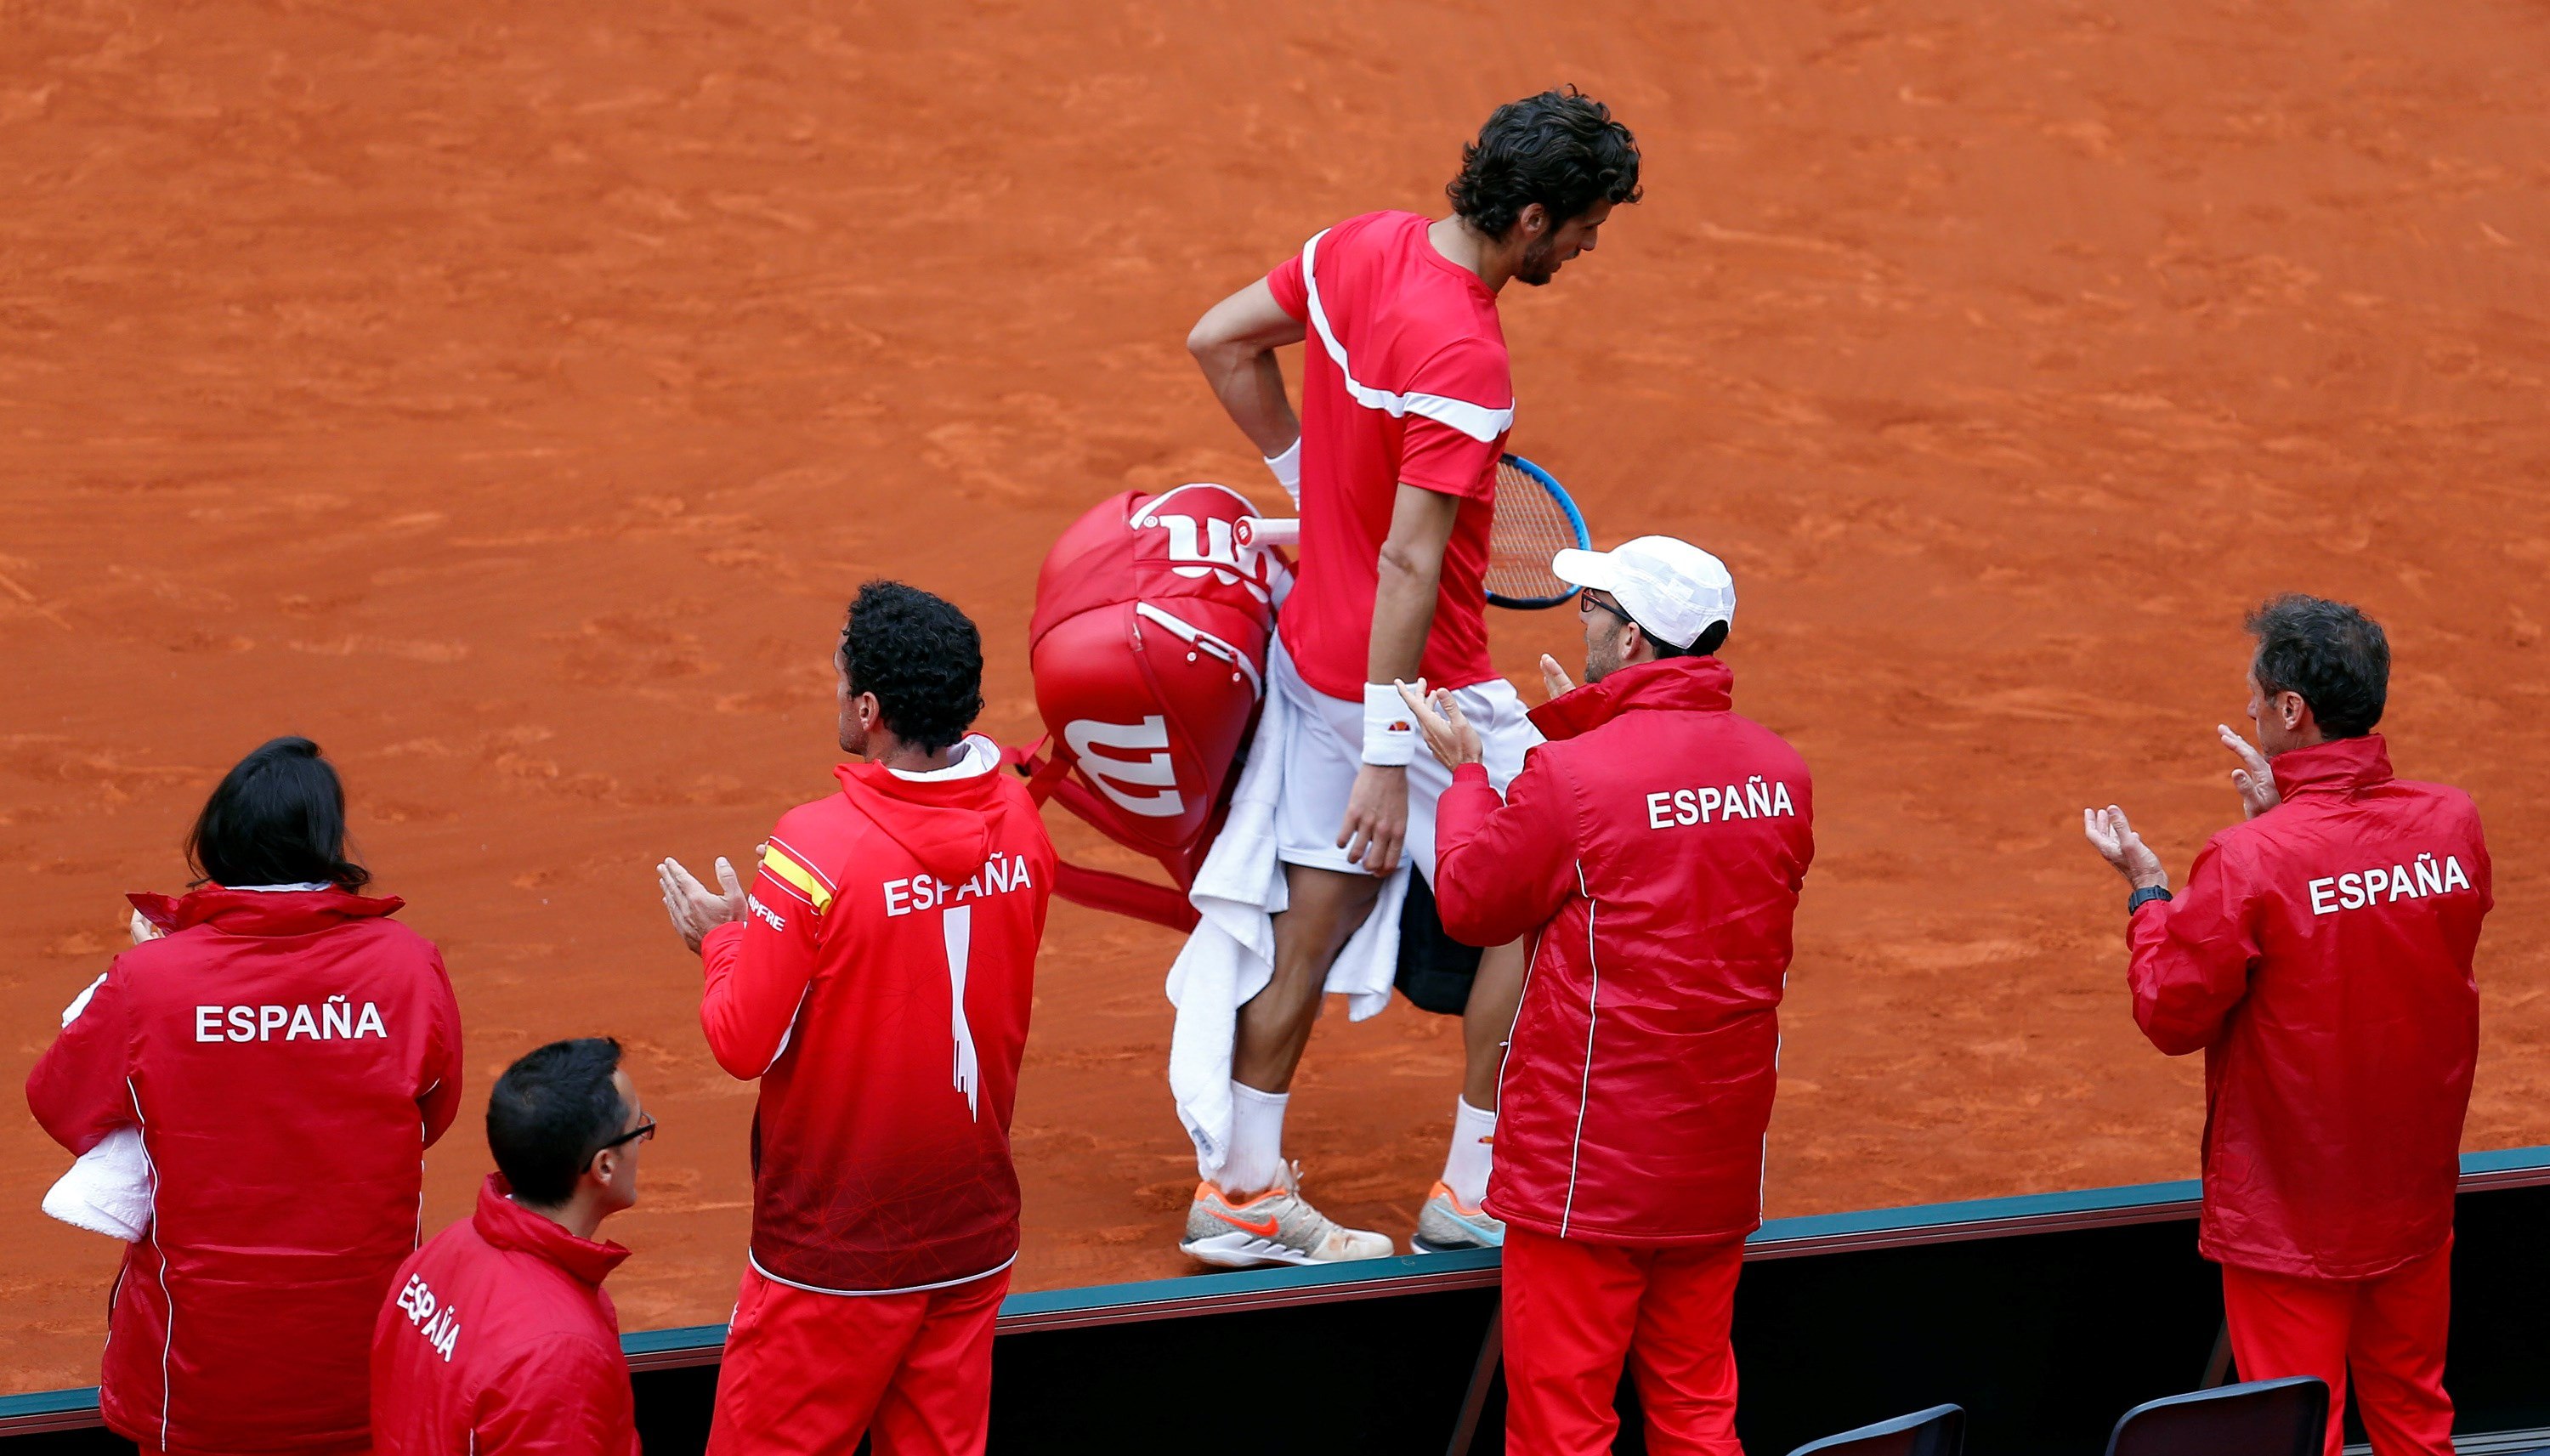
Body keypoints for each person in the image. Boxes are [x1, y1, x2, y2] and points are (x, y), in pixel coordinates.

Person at [1180, 87, 1642, 1261]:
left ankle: (1239, 1196)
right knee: (1544, 904)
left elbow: (1219, 341)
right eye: (1587, 226)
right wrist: (1394, 756)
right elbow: (1409, 560)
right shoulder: (1465, 354)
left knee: (1312, 930)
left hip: (1312, 661)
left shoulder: (1355, 248)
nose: (1592, 247)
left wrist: (1306, 473)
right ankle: (1479, 1188)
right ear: (1532, 219)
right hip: (1416, 688)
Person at [1398, 536, 1811, 1455]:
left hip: (1588, 1173)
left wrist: (1468, 776)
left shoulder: (1576, 777)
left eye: (1594, 610)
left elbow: (1473, 901)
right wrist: (1588, 728)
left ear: (1631, 642)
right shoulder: (1782, 775)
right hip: (1713, 1158)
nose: (1579, 620)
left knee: (1561, 1428)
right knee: (1699, 1412)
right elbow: (1667, 840)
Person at [657, 581, 1057, 1456]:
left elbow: (740, 1039)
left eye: (841, 678)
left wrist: (725, 942)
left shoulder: (814, 850)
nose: (833, 689)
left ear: (870, 708)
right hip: (972, 1240)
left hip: (832, 1257)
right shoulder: (1023, 827)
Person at [2082, 595, 2489, 1456]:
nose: (2250, 708)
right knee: (2419, 1421)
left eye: (2257, 695)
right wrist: (2286, 826)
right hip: (2411, 1197)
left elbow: (2170, 1010)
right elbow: (2377, 929)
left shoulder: (2250, 861)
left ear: (2293, 711)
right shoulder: (2453, 822)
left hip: (2289, 1216)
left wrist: (2151, 891)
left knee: (2298, 1439)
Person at [26, 736, 466, 1456]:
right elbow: (431, 1112)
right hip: (364, 1372)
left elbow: (59, 1101)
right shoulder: (409, 964)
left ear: (220, 840)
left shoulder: (151, 981)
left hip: (199, 1383)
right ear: (326, 843)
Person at [372, 1039, 649, 1456]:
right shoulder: (559, 1355)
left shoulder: (439, 1254)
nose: (645, 1139)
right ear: (604, 1166)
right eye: (640, 1127)